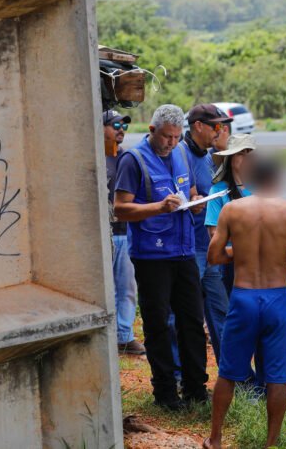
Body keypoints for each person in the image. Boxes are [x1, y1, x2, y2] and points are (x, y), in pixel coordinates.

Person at [203, 154, 286, 449]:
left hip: (244, 296)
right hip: (277, 298)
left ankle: (215, 438)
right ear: (276, 179)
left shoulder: (232, 210)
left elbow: (214, 256)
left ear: (251, 179)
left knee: (228, 371)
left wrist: (238, 252)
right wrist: (285, 255)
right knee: (277, 376)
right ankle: (271, 444)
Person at [114, 104, 208, 411]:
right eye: (166, 136)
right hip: (152, 256)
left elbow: (190, 189)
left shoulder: (181, 152)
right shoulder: (134, 159)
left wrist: (195, 202)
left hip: (184, 251)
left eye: (177, 137)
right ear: (152, 130)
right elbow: (121, 208)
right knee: (158, 325)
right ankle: (165, 392)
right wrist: (158, 207)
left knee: (192, 321)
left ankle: (195, 387)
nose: (171, 142)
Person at [181, 104, 234, 362]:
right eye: (215, 126)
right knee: (187, 315)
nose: (220, 131)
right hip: (191, 249)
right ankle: (184, 376)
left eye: (222, 126)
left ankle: (232, 372)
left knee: (221, 311)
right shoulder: (181, 153)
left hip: (211, 247)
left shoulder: (211, 156)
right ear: (198, 126)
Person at [203, 133, 256, 366]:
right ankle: (236, 371)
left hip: (259, 266)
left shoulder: (262, 188)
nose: (246, 159)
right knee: (233, 319)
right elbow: (214, 234)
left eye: (250, 154)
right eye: (241, 153)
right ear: (230, 158)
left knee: (257, 321)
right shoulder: (219, 190)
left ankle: (257, 377)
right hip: (231, 265)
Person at [103, 109, 145, 356]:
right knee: (104, 288)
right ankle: (104, 336)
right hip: (105, 234)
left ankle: (124, 336)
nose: (120, 130)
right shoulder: (95, 158)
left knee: (127, 288)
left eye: (124, 126)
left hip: (126, 233)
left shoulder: (127, 158)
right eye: (115, 124)